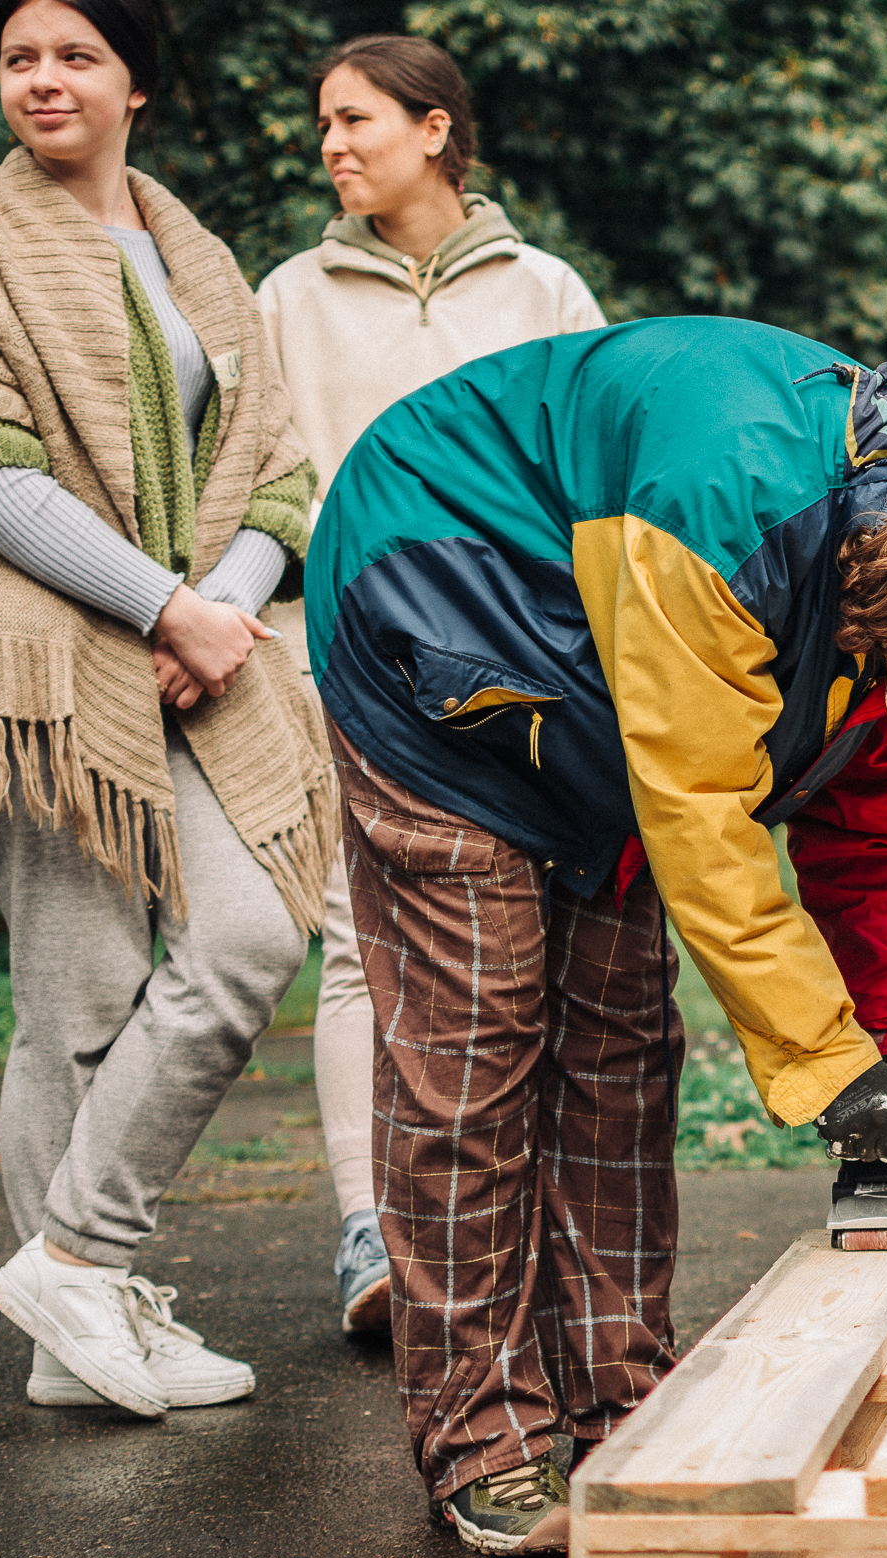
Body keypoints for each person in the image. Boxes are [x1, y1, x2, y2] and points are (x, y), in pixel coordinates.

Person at [306, 315, 887, 1555]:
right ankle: (479, 1434)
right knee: (481, 1046)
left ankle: (618, 1401)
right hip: (435, 605)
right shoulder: (733, 502)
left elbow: (873, 841)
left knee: (620, 1044)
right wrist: (833, 1074)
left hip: (605, 677)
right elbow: (703, 818)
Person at [0, 0, 327, 1418]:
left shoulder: (192, 251)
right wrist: (166, 605)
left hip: (195, 657)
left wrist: (221, 611)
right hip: (45, 662)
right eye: (22, 58)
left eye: (77, 55)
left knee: (249, 936)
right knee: (74, 1001)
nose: (43, 80)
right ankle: (77, 1331)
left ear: (137, 81)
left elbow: (270, 467)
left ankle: (76, 1262)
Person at [256, 32, 607, 1337]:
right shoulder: (288, 296)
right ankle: (372, 1233)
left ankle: (508, 1226)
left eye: (356, 121)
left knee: (531, 943)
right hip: (341, 654)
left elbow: (594, 472)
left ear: (437, 130)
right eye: (325, 123)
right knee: (358, 941)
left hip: (518, 667)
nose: (332, 145)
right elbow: (263, 483)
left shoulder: (543, 291)